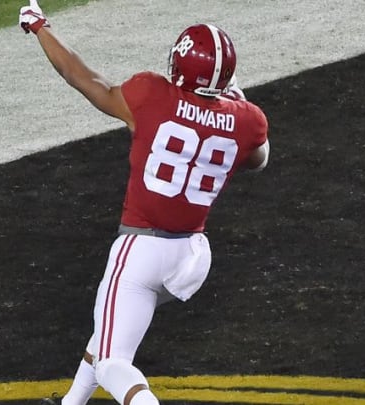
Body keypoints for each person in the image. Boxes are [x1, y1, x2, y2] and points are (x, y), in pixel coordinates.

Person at [19, 1, 270, 404]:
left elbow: (82, 78)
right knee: (110, 326)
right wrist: (233, 98)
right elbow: (259, 159)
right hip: (191, 255)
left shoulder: (152, 94)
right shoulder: (249, 120)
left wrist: (40, 27)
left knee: (112, 363)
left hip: (142, 249)